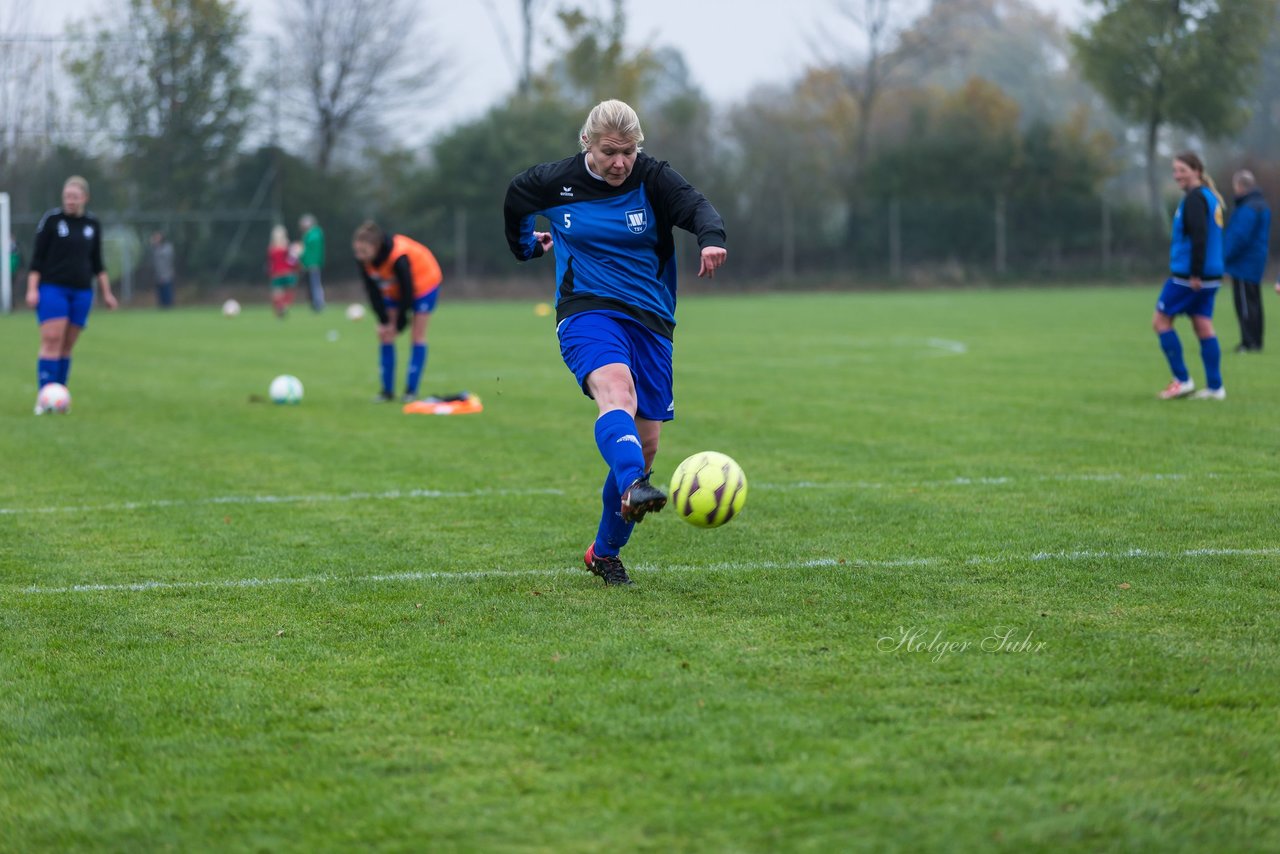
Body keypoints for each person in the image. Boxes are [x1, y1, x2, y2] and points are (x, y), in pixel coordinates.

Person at [503, 98, 728, 586]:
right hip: (586, 311)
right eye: (609, 152)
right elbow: (517, 197)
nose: (620, 162)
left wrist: (710, 236)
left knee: (645, 445)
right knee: (616, 392)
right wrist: (526, 245)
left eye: (628, 152)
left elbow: (696, 205)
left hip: (651, 322)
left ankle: (604, 552)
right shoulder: (556, 181)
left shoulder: (653, 178)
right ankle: (634, 485)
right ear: (587, 143)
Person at [25, 175, 118, 412]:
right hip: (52, 287)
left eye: (75, 197)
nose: (70, 201)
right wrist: (32, 289)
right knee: (52, 339)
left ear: (85, 198)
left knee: (67, 344)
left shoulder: (92, 225)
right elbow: (37, 259)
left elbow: (98, 263)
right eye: (67, 196)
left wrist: (107, 293)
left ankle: (59, 395)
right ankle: (44, 396)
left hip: (82, 292)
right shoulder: (52, 220)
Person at [1153, 151, 1227, 401]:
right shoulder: (1210, 197)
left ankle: (1182, 380)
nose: (1177, 176)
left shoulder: (1195, 199)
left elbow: (1199, 236)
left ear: (1197, 170)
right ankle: (1215, 387)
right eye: (1175, 171)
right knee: (1202, 324)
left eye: (1182, 170)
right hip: (1212, 275)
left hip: (1190, 276)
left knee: (1161, 322)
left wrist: (1195, 272)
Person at [352, 221, 443, 402]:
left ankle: (411, 391)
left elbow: (407, 291)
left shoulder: (399, 256)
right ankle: (387, 392)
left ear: (376, 247)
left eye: (364, 252)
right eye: (357, 251)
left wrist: (400, 321)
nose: (360, 256)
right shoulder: (365, 261)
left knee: (417, 335)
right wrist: (385, 320)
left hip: (425, 283)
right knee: (385, 333)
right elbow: (372, 292)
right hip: (394, 287)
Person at [1223, 170, 1270, 353]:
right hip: (1256, 261)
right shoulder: (1262, 205)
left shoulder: (1248, 208)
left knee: (1244, 303)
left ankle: (1248, 342)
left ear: (1240, 186)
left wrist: (1224, 258)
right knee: (1254, 302)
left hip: (1244, 263)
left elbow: (1239, 237)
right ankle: (1256, 341)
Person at [267, 224, 299, 318]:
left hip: (285, 273)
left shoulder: (285, 247)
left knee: (284, 294)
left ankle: (282, 308)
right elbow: (271, 263)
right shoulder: (275, 247)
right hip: (279, 274)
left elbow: (292, 261)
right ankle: (281, 309)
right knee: (278, 295)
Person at [298, 213, 326, 312]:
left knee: (315, 284)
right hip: (308, 264)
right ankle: (315, 303)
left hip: (313, 264)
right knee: (312, 285)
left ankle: (319, 304)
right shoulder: (309, 235)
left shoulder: (314, 234)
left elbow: (309, 250)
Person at [150, 231, 175, 309]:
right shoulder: (154, 249)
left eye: (158, 238)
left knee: (167, 294)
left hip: (166, 274)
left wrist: (157, 246)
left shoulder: (167, 247)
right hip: (158, 275)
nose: (156, 240)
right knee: (160, 295)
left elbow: (165, 255)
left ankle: (168, 308)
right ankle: (162, 308)